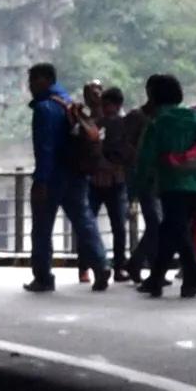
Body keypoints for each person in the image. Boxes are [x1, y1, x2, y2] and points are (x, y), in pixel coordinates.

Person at [130, 75, 196, 296]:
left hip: (170, 186)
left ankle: (194, 277)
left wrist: (138, 187)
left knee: (176, 230)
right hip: (195, 185)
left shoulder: (156, 124)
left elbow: (145, 160)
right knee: (171, 230)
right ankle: (156, 279)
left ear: (153, 96)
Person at [24, 63, 89, 293]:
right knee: (84, 221)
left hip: (52, 177)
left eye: (32, 81)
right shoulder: (68, 102)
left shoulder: (45, 108)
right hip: (75, 173)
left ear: (43, 81)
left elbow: (45, 148)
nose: (29, 86)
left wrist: (41, 180)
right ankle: (101, 265)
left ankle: (43, 276)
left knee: (42, 227)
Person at [78, 83, 132, 283]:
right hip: (95, 180)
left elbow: (126, 151)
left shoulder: (121, 123)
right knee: (87, 224)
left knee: (118, 225)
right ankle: (84, 267)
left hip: (115, 180)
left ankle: (119, 267)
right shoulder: (89, 122)